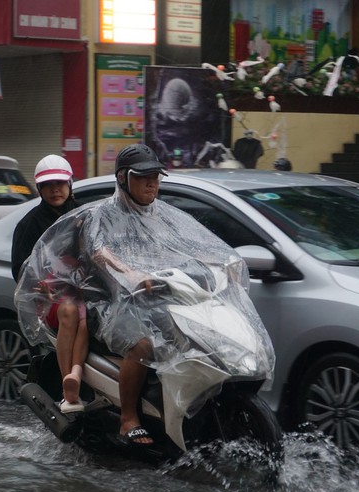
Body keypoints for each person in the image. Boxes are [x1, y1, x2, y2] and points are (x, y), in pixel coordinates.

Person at [15, 143, 273, 447]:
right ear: (124, 178)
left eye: (156, 176)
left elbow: (192, 247)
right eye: (144, 176)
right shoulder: (103, 216)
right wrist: (130, 273)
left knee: (194, 336)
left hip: (158, 300)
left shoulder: (163, 216)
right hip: (112, 301)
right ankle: (129, 418)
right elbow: (100, 252)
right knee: (144, 346)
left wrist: (221, 265)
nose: (153, 183)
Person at [11, 154, 87, 412]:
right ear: (39, 188)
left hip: (86, 291)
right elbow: (21, 271)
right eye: (48, 185)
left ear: (70, 184)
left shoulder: (84, 216)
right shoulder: (29, 224)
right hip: (51, 300)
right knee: (69, 311)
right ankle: (69, 388)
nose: (55, 190)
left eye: (60, 184)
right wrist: (40, 285)